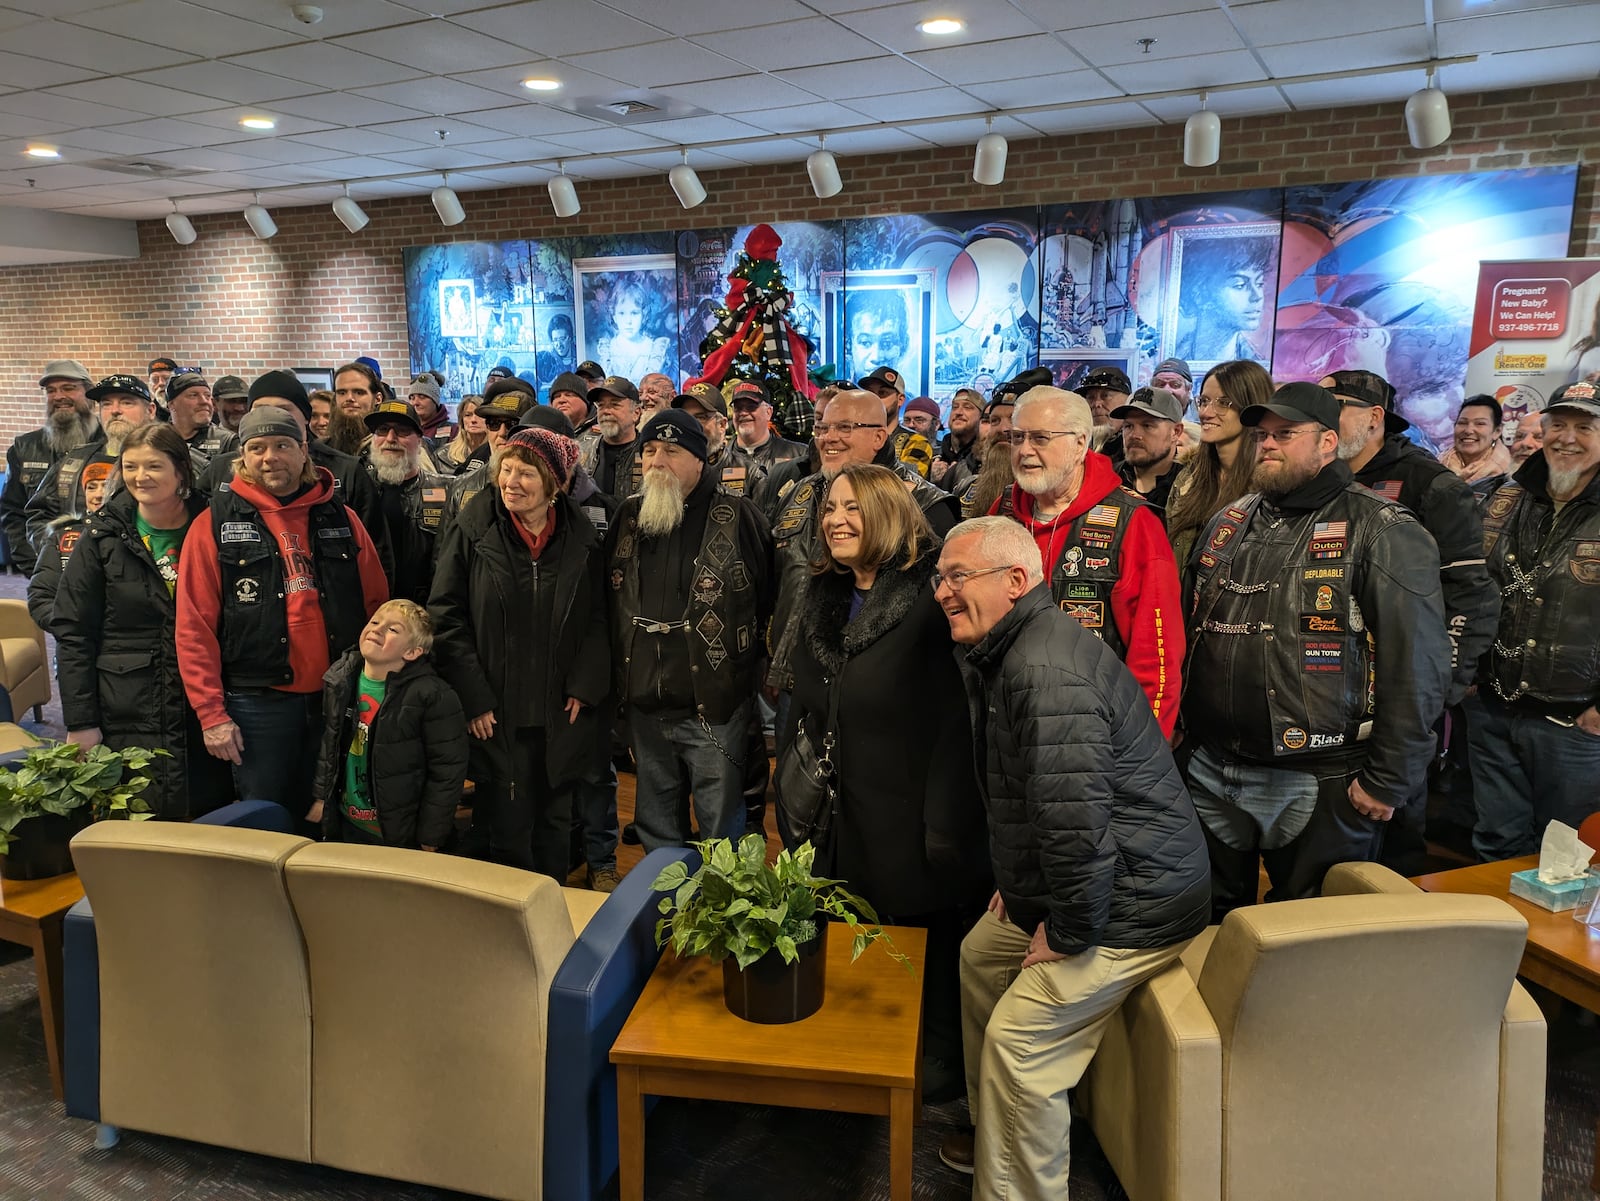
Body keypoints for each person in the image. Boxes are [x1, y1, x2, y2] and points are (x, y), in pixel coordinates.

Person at [931, 516, 1210, 1197]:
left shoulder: (1043, 669)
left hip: (1134, 901)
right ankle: (995, 1132)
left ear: (1017, 581)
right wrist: (1023, 894)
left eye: (957, 576)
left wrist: (1069, 926)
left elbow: (1075, 821)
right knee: (979, 955)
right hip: (1100, 880)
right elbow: (1043, 802)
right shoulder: (1014, 647)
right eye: (940, 577)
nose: (941, 591)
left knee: (1019, 1047)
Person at [1181, 382, 1450, 914]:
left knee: (1310, 937)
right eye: (1262, 435)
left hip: (1323, 773)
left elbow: (1417, 665)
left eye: (1286, 434)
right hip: (1212, 763)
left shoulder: (1382, 528)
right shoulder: (1230, 520)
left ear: (1329, 442)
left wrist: (1390, 779)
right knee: (1202, 920)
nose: (1269, 445)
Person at [789, 463, 988, 1102]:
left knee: (922, 957)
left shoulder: (931, 602)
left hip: (916, 819)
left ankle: (937, 1068)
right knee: (852, 942)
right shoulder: (825, 593)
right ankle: (861, 1058)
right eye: (829, 509)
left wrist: (944, 827)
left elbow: (959, 723)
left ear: (890, 515)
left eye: (852, 508)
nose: (835, 520)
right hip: (840, 814)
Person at [177, 404, 389, 824]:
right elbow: (193, 627)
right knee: (265, 815)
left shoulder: (342, 517)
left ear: (304, 450)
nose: (269, 456)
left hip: (337, 694)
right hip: (257, 701)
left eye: (281, 445)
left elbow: (376, 607)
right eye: (256, 447)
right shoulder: (212, 525)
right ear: (243, 456)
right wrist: (211, 714)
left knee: (337, 809)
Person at [430, 427, 609, 877]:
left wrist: (585, 686)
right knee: (506, 822)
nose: (510, 481)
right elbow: (446, 615)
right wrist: (474, 697)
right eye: (505, 470)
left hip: (559, 707)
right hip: (496, 707)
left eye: (525, 473)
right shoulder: (473, 528)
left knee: (555, 820)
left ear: (553, 484)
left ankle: (553, 908)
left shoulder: (581, 537)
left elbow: (597, 619)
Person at [605, 410, 773, 850]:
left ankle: (724, 916)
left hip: (715, 704)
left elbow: (769, 602)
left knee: (722, 826)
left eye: (672, 451)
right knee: (656, 823)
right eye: (650, 450)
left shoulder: (740, 516)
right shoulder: (626, 516)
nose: (657, 460)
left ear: (701, 459)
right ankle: (668, 910)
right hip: (644, 701)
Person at [54, 423, 233, 821]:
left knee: (213, 819)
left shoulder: (217, 525)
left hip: (206, 697)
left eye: (153, 466)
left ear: (181, 472)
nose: (140, 477)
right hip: (127, 702)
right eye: (131, 466)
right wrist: (81, 721)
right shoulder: (102, 537)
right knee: (142, 819)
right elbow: (74, 633)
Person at [991, 386, 1184, 739]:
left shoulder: (1134, 522)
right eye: (1017, 437)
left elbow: (1157, 654)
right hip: (1003, 720)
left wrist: (1147, 746)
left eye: (1040, 438)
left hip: (1092, 731)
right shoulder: (1003, 510)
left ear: (1080, 443)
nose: (1024, 450)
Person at [1468, 381, 1600, 859]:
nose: (1567, 438)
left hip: (1576, 722)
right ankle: (1498, 935)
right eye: (1558, 425)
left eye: (1584, 427)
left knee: (1565, 857)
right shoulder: (1500, 498)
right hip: (1490, 707)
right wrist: (1463, 674)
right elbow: (1466, 591)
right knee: (1493, 843)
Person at [194, 371, 393, 591]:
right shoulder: (220, 470)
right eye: (260, 409)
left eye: (283, 409)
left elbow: (376, 556)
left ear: (305, 416)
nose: (270, 416)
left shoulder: (345, 469)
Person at [310, 600, 468, 849]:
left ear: (413, 652)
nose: (377, 629)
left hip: (400, 835)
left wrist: (431, 837)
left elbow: (447, 772)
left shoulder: (433, 696)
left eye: (393, 629)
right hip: (348, 824)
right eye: (375, 622)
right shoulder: (341, 680)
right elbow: (329, 746)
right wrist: (322, 799)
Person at [26, 373, 155, 558]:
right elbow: (38, 517)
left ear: (150, 410)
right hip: (80, 575)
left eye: (126, 402)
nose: (115, 410)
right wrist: (54, 562)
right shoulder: (73, 463)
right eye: (106, 404)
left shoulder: (172, 461)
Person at [1164, 359, 1266, 580]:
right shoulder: (1187, 478)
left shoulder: (1267, 486)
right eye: (1204, 401)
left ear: (1251, 407)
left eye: (1223, 403)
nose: (1206, 413)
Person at [4, 359, 100, 576]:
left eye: (68, 388)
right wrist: (34, 567)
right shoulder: (23, 448)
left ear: (89, 394)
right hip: (45, 570)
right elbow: (13, 514)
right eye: (51, 390)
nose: (58, 396)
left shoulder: (109, 444)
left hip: (101, 569)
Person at [362, 399, 455, 605]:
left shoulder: (450, 490)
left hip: (427, 609)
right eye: (382, 430)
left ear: (419, 440)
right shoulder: (359, 490)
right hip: (372, 609)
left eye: (402, 431)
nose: (391, 438)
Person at [27, 461, 111, 634]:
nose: (98, 494)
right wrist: (67, 627)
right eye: (91, 487)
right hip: (75, 640)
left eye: (106, 486)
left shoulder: (136, 533)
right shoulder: (63, 536)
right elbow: (41, 595)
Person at [1175, 236, 1273, 363]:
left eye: (1259, 284)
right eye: (1240, 285)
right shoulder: (1172, 362)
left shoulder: (1255, 366)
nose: (1257, 296)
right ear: (1199, 292)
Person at [1112, 386, 1185, 520]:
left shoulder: (1194, 488)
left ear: (1176, 431)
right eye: (1128, 426)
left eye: (1147, 426)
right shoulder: (1108, 479)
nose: (1134, 435)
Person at [672, 384, 758, 497]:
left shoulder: (751, 474)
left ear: (722, 425)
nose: (691, 425)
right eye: (686, 418)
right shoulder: (667, 469)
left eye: (701, 417)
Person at [858, 366, 935, 478]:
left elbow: (907, 483)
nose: (875, 399)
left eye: (882, 393)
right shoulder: (858, 436)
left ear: (900, 400)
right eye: (870, 394)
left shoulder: (917, 442)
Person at [595, 277, 671, 381]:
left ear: (643, 315)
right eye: (622, 313)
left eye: (634, 313)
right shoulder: (608, 350)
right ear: (614, 316)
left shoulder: (654, 349)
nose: (628, 321)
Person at [583, 375, 645, 501]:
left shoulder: (650, 453)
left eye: (614, 405)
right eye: (601, 405)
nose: (606, 411)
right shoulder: (582, 452)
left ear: (636, 413)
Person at [1440, 394, 1513, 492]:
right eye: (1462, 422)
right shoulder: (1438, 464)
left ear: (1497, 431)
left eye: (1480, 423)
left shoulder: (1508, 476)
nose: (1468, 430)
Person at [730, 379, 806, 472]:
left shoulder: (800, 455)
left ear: (768, 412)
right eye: (738, 408)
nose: (743, 413)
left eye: (751, 407)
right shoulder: (719, 461)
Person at [846, 289, 914, 393]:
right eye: (865, 343)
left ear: (903, 345)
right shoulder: (838, 405)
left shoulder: (909, 407)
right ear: (848, 346)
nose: (876, 357)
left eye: (887, 343)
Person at [933, 387, 983, 490]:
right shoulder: (934, 456)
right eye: (954, 407)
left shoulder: (984, 459)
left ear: (982, 417)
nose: (958, 412)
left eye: (967, 407)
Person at [437, 395, 488, 473]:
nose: (473, 420)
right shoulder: (443, 456)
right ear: (462, 421)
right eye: (468, 415)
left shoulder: (497, 455)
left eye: (480, 415)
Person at [407, 374, 454, 443]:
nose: (415, 403)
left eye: (422, 397)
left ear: (435, 401)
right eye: (412, 398)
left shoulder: (454, 431)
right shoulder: (405, 430)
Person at [535, 313, 577, 383]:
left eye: (562, 339)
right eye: (555, 340)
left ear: (570, 338)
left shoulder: (580, 355)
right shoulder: (549, 361)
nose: (559, 344)